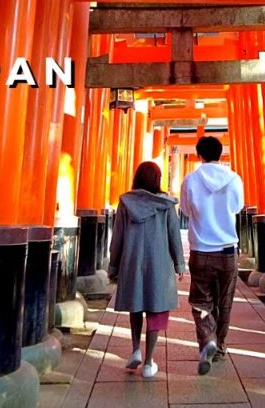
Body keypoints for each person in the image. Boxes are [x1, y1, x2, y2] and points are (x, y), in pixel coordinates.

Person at [108, 161, 186, 379]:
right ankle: (149, 362)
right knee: (156, 310)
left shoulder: (126, 202)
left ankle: (135, 349)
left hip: (132, 261)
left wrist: (113, 265)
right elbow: (174, 236)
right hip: (158, 263)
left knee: (136, 306)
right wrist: (179, 264)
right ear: (157, 180)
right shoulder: (167, 205)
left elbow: (118, 236)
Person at [180, 135, 245, 375]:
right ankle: (220, 347)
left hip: (201, 250)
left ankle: (207, 337)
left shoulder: (191, 180)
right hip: (228, 250)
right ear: (220, 154)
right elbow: (238, 208)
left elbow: (186, 211)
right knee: (224, 301)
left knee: (200, 300)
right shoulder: (235, 179)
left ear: (199, 155)